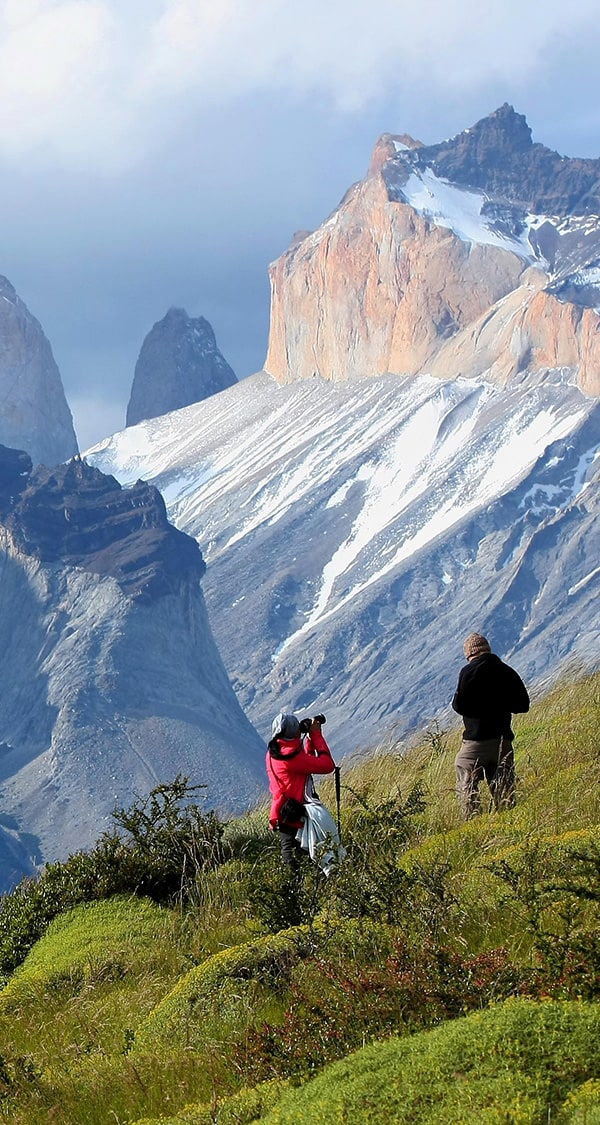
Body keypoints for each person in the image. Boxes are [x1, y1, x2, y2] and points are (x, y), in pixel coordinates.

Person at [451, 633, 530, 818]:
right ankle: (507, 819)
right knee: (503, 786)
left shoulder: (468, 672)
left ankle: (473, 820)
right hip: (502, 740)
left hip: (476, 741)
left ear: (470, 654)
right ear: (487, 649)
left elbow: (459, 705)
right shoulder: (507, 671)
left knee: (465, 775)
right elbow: (523, 705)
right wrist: (500, 703)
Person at [266, 711, 336, 869]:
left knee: (291, 854)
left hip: (283, 812)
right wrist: (316, 736)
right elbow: (327, 765)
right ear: (293, 732)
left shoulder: (274, 753)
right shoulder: (291, 757)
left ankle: (294, 888)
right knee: (303, 858)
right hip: (297, 815)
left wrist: (308, 741)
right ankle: (305, 887)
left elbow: (304, 764)